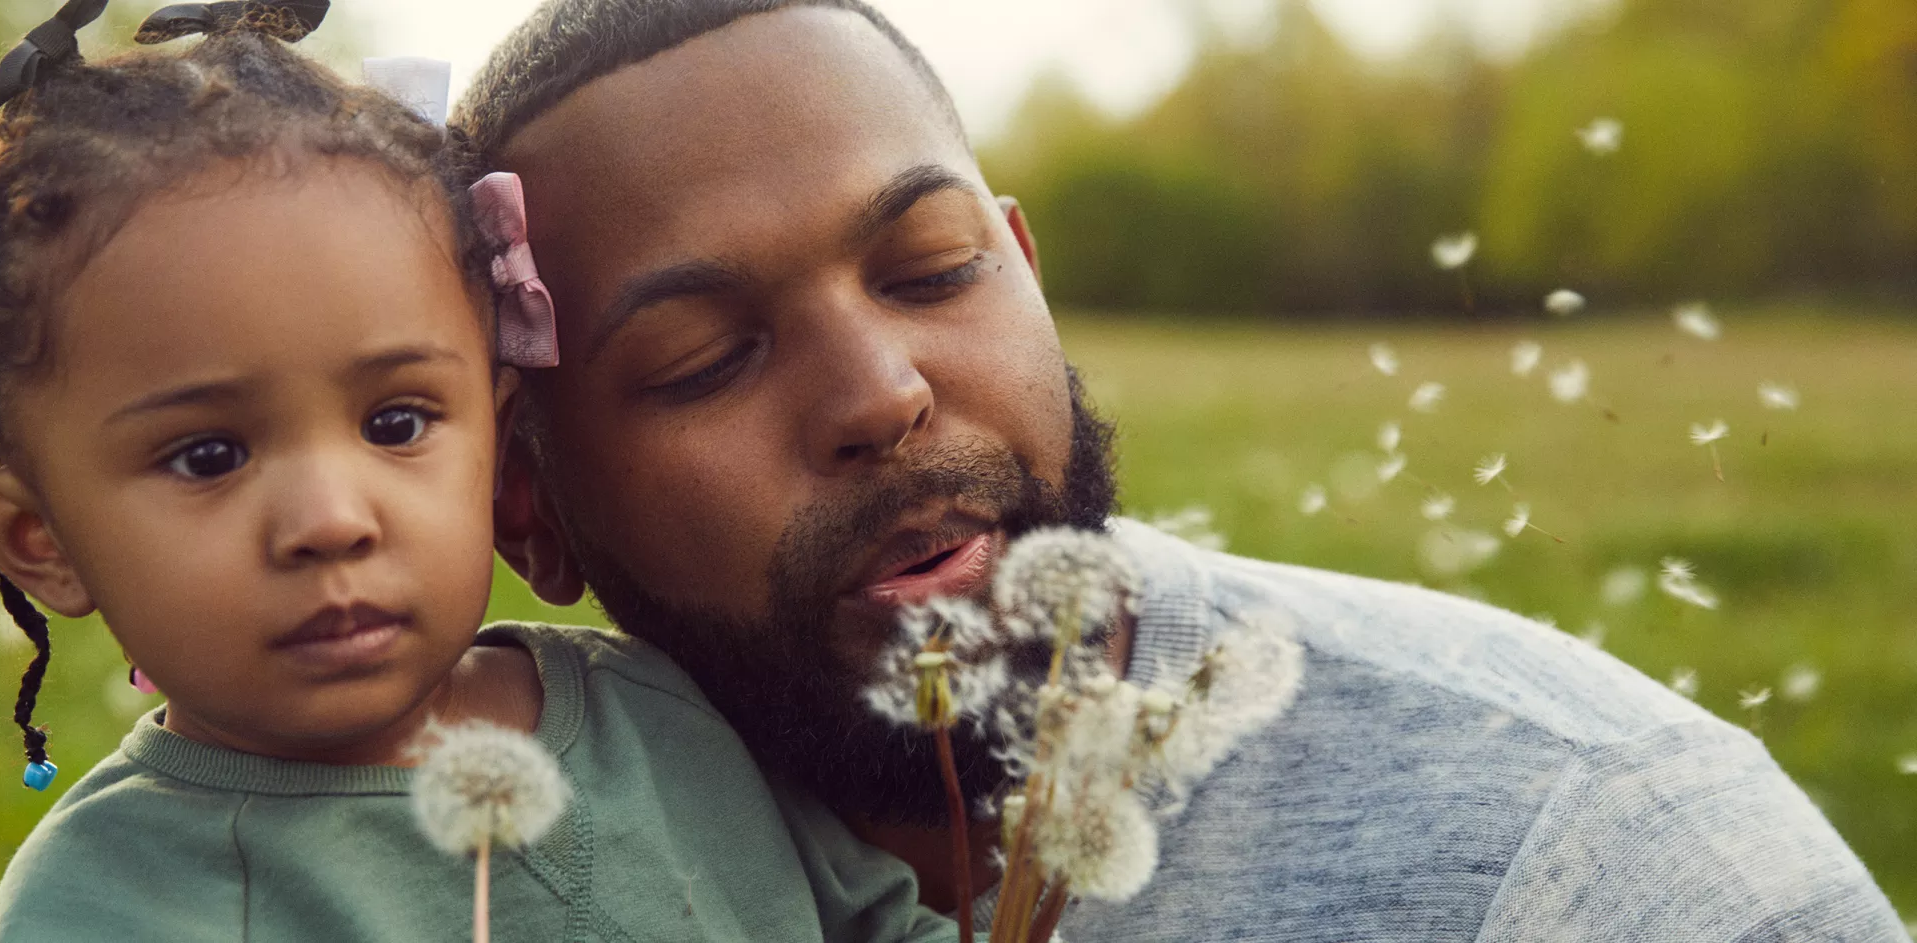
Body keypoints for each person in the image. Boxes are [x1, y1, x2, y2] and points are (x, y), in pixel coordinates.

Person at [456, 1, 1915, 938]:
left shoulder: (1598, 856)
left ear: (1027, 272)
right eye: (706, 355)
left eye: (933, 270)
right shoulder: (425, 868)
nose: (884, 394)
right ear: (531, 508)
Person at [0, 2, 963, 940]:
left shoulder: (659, 714)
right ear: (38, 537)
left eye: (395, 422)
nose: (331, 519)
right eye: (209, 454)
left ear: (501, 449)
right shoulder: (111, 901)